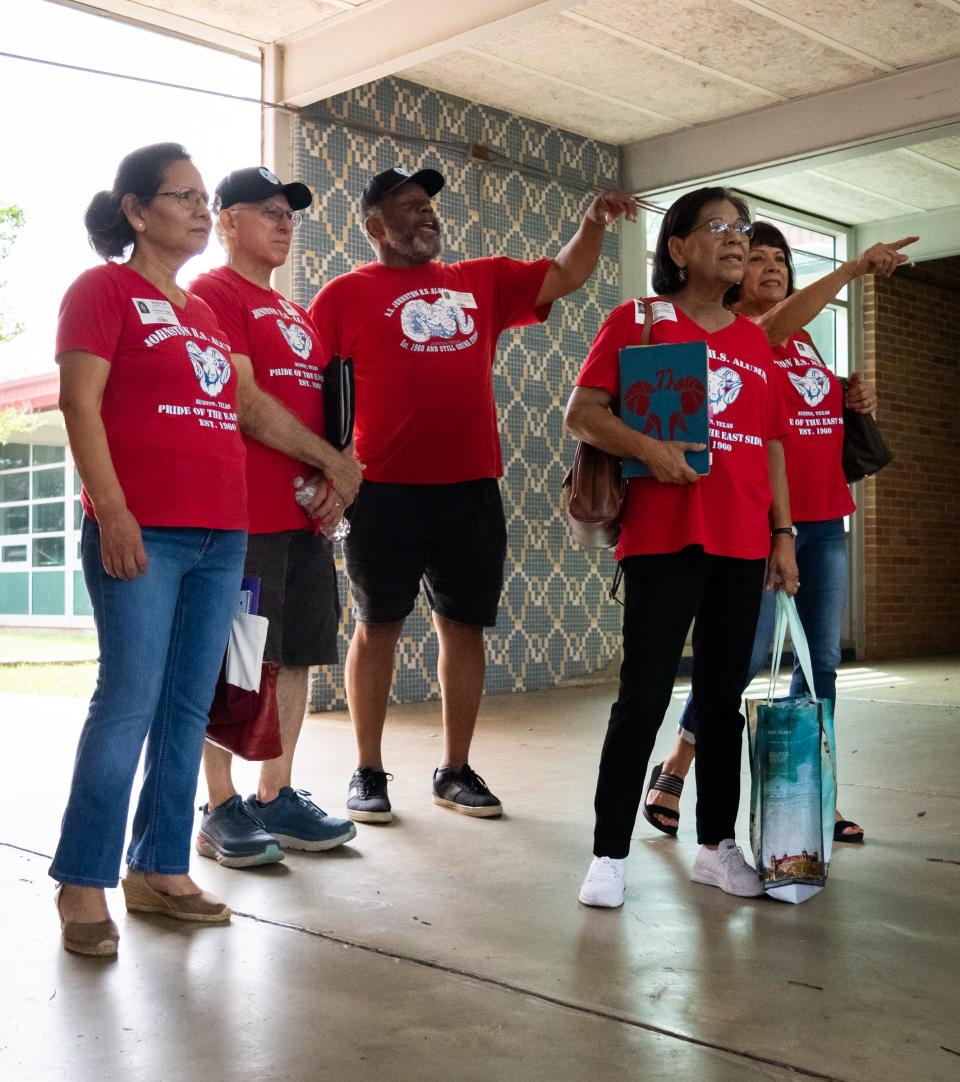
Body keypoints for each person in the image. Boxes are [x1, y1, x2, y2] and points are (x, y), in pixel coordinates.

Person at [308, 166, 637, 822]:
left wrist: (592, 224)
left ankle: (454, 771)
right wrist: (329, 470)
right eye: (408, 207)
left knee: (464, 628)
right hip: (384, 490)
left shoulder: (477, 280)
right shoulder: (342, 296)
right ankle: (368, 771)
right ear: (375, 227)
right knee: (378, 627)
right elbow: (315, 391)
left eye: (428, 205)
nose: (426, 214)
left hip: (469, 489)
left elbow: (565, 275)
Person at [641, 223, 915, 844]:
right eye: (756, 258)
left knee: (820, 666)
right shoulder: (747, 337)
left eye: (780, 258)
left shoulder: (808, 339)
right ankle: (675, 769)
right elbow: (775, 339)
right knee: (734, 664)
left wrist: (853, 397)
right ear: (735, 276)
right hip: (768, 525)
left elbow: (804, 412)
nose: (771, 266)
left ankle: (817, 797)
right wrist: (855, 268)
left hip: (827, 520)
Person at [565, 187, 799, 908]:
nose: (736, 241)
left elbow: (769, 445)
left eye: (742, 230)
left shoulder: (754, 340)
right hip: (664, 539)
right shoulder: (639, 322)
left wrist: (783, 535)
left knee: (723, 700)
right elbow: (581, 413)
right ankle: (609, 853)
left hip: (740, 541)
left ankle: (716, 845)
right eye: (719, 228)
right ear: (677, 247)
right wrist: (651, 451)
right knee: (641, 698)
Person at [50, 143, 248, 954]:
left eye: (205, 197)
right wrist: (114, 510)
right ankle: (82, 881)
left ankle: (159, 867)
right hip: (143, 529)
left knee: (187, 707)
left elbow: (235, 411)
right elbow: (77, 404)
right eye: (182, 196)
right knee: (128, 699)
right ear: (135, 211)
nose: (202, 210)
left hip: (220, 534)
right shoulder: (103, 290)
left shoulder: (202, 310)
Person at [188, 167, 364, 867]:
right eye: (267, 211)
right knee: (235, 661)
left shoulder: (297, 316)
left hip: (305, 522)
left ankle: (275, 795)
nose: (285, 222)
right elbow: (244, 401)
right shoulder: (213, 295)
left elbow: (332, 412)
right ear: (226, 220)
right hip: (244, 517)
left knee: (295, 655)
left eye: (289, 213)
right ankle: (220, 805)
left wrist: (338, 475)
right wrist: (335, 460)